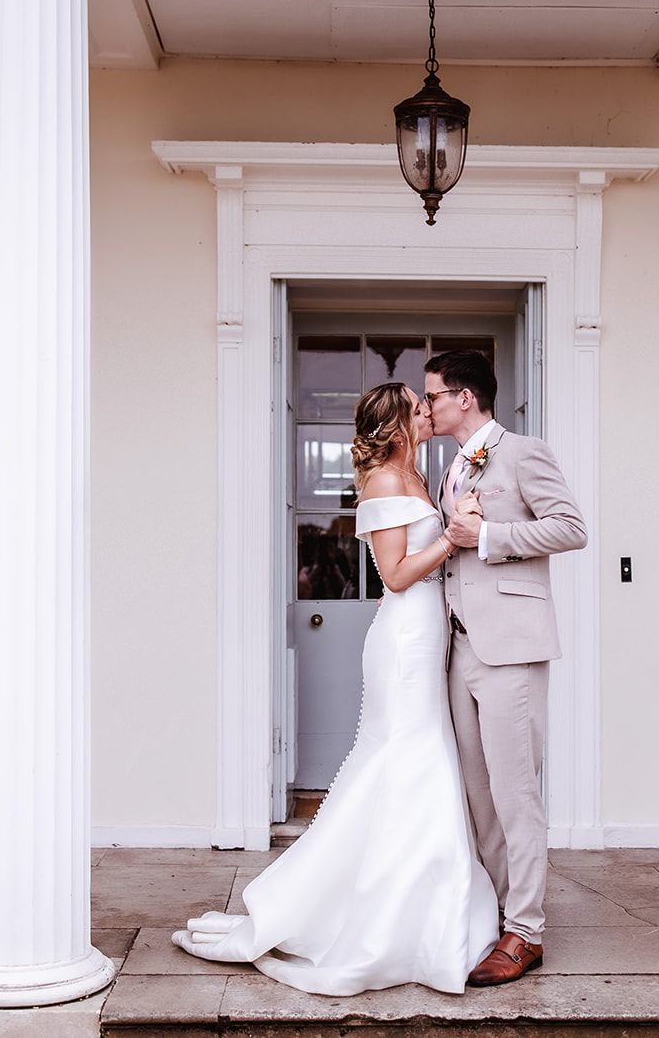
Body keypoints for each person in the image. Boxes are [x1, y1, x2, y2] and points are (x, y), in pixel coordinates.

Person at [171, 383, 499, 995]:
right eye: (419, 404)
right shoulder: (383, 483)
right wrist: (452, 538)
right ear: (400, 422)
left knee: (422, 763)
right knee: (410, 759)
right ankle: (382, 914)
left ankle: (418, 905)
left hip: (430, 638)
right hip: (403, 643)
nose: (430, 409)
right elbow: (397, 576)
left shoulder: (420, 476)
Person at [424, 349, 587, 987]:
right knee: (479, 794)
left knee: (517, 793)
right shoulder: (450, 468)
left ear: (465, 397)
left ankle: (527, 931)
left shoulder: (522, 451)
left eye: (433, 394)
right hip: (459, 647)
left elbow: (569, 527)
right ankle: (500, 910)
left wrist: (488, 540)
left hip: (512, 647)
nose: (427, 405)